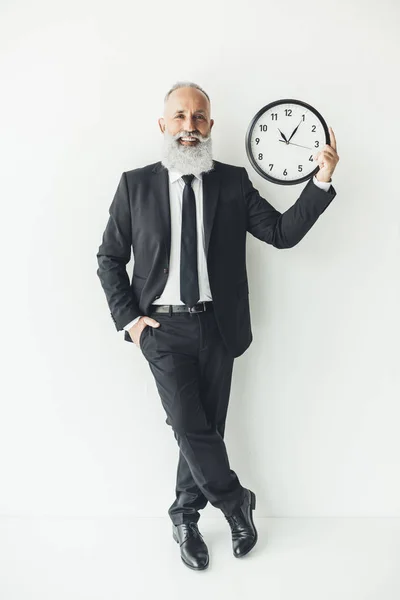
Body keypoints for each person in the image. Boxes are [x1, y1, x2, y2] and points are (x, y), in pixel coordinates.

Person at [96, 81, 339, 570]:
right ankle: (234, 503)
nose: (190, 127)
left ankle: (185, 515)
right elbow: (109, 259)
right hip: (161, 330)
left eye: (200, 117)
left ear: (211, 126)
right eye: (181, 117)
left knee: (203, 429)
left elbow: (280, 233)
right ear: (163, 124)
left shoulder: (232, 182)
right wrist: (132, 322)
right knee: (188, 423)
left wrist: (321, 180)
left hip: (218, 327)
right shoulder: (135, 185)